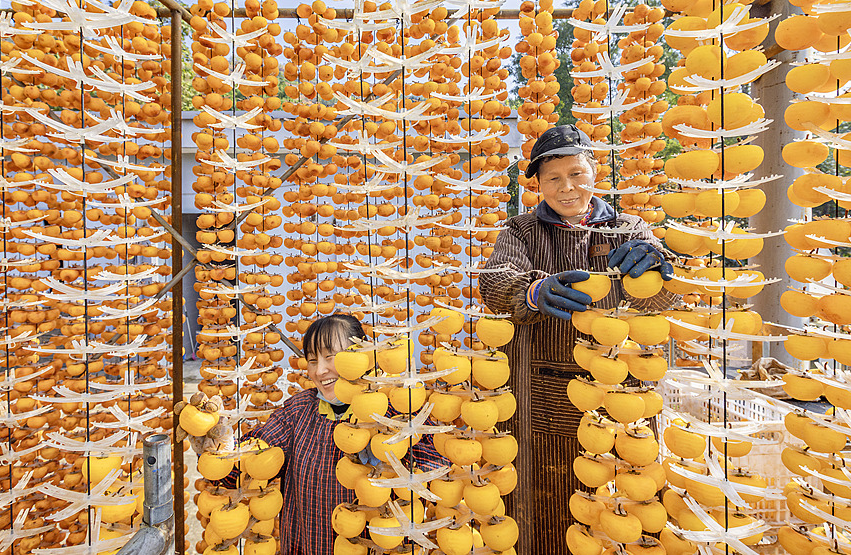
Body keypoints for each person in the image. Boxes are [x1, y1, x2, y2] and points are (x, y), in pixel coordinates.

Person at [478, 124, 679, 554]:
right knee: (540, 510)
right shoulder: (521, 232)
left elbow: (665, 300)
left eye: (576, 173)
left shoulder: (629, 228)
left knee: (618, 510)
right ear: (537, 184)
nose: (566, 187)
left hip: (618, 396)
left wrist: (658, 265)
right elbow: (495, 282)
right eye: (553, 178)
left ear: (594, 170)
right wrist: (532, 291)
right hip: (539, 392)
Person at [187, 314, 447, 555]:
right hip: (306, 544)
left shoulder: (395, 412)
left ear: (363, 356)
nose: (320, 370)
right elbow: (252, 464)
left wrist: (390, 457)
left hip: (375, 545)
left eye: (330, 357)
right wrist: (222, 450)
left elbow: (435, 467)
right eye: (312, 360)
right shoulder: (299, 411)